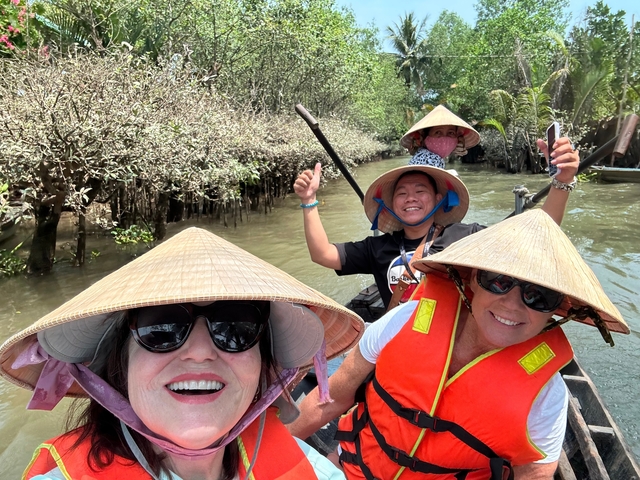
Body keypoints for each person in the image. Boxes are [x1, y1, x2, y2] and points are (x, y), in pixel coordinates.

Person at [287, 209, 629, 480]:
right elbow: (333, 396)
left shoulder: (545, 395)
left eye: (538, 296)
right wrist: (277, 450)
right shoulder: (405, 320)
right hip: (353, 466)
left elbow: (534, 474)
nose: (512, 304)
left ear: (556, 311)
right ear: (471, 281)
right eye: (498, 281)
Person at [0, 227, 364, 480]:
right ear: (120, 366)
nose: (201, 352)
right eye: (161, 328)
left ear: (262, 366)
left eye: (235, 328)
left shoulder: (309, 468)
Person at [294, 106, 580, 309]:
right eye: (402, 193)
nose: (411, 198)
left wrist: (562, 181)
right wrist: (309, 201)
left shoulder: (465, 237)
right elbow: (323, 254)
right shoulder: (377, 248)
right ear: (390, 204)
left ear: (440, 199)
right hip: (401, 350)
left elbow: (537, 240)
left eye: (421, 191)